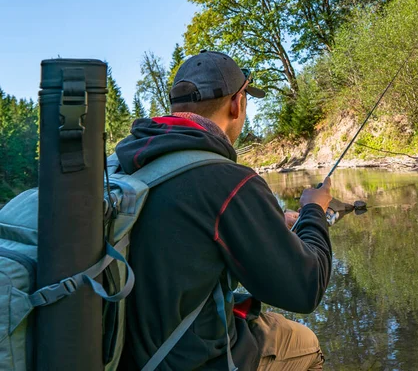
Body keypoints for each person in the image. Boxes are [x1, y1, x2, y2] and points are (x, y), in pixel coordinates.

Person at [116, 50, 333, 370]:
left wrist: (273, 223)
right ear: (237, 103)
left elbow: (182, 237)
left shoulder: (127, 165)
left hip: (129, 355)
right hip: (195, 361)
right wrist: (314, 210)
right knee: (306, 344)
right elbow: (305, 288)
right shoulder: (227, 181)